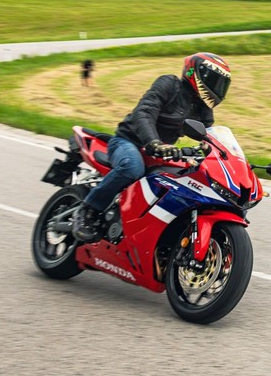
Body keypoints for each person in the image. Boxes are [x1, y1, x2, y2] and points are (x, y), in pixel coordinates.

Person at [71, 52, 232, 242]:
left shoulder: (203, 108)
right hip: (128, 142)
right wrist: (153, 142)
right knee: (132, 167)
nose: (216, 87)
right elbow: (144, 112)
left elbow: (209, 136)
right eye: (214, 80)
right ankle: (88, 209)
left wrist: (219, 156)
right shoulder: (169, 85)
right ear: (195, 72)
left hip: (160, 153)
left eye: (221, 83)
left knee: (186, 180)